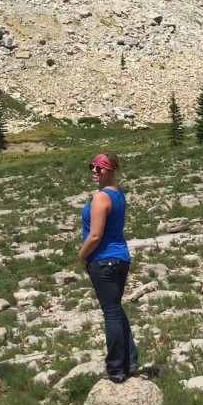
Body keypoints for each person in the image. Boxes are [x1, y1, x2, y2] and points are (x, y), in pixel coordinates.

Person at [78, 150, 138, 383]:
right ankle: (130, 358)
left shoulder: (101, 198)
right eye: (92, 166)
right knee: (115, 309)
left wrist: (82, 256)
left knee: (110, 313)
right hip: (120, 258)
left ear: (110, 170)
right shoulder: (117, 193)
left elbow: (95, 236)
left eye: (99, 168)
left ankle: (115, 367)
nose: (94, 171)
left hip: (103, 259)